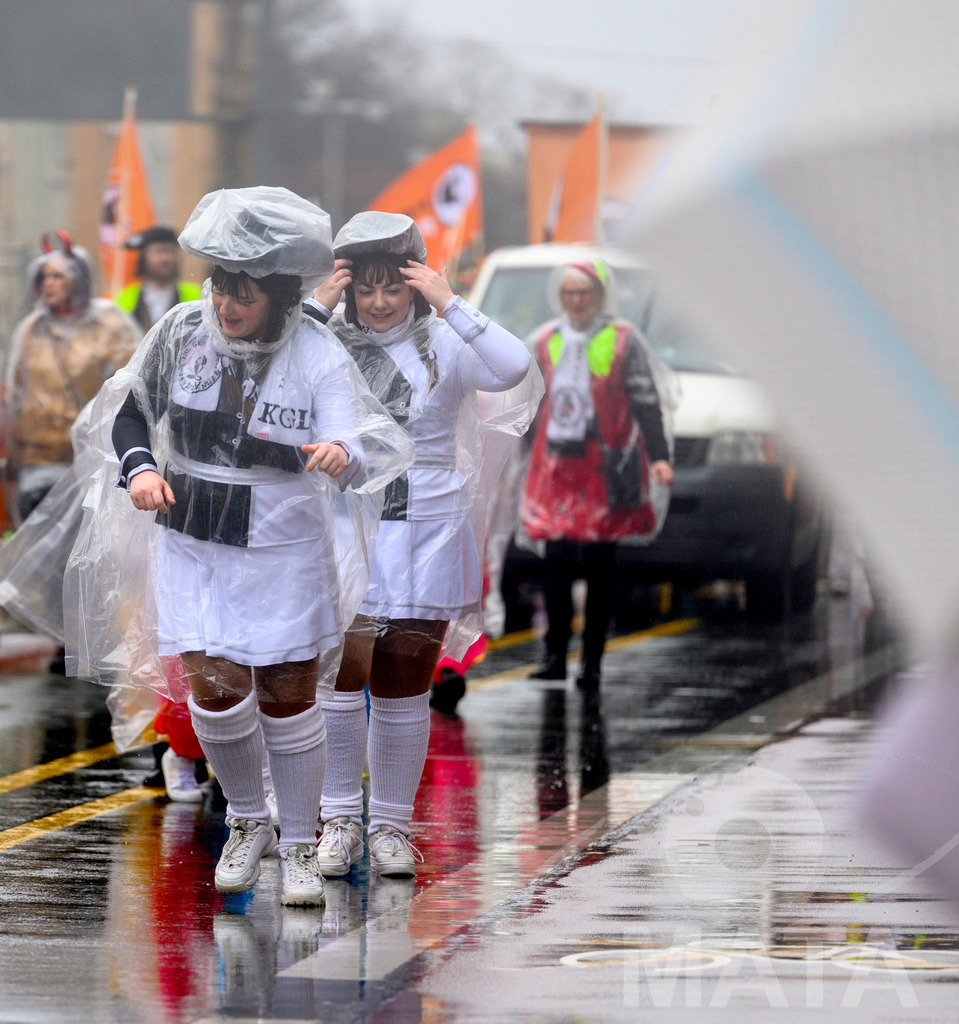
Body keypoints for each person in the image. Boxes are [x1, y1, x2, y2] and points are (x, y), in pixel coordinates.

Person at [98, 187, 411, 905]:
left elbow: (356, 441)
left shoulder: (316, 350)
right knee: (211, 685)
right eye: (219, 287)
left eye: (243, 292)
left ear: (275, 293)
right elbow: (131, 413)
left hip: (281, 542)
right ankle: (247, 822)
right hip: (193, 533)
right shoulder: (180, 332)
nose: (227, 305)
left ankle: (299, 842)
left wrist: (339, 453)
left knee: (286, 688)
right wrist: (141, 468)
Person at [302, 211, 539, 879]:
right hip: (348, 524)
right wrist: (319, 307)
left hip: (429, 527)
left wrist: (449, 300)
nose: (378, 303)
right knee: (343, 680)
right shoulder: (324, 343)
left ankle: (393, 830)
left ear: (414, 281)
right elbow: (271, 376)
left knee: (405, 688)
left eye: (393, 287)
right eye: (364, 288)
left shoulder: (447, 341)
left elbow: (514, 365)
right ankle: (340, 819)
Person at [521, 258, 674, 690]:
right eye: (569, 293)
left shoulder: (624, 341)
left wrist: (659, 456)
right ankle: (554, 656)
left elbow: (646, 401)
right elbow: (522, 401)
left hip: (603, 469)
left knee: (601, 565)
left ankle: (591, 662)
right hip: (555, 467)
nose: (576, 301)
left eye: (584, 293)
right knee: (556, 563)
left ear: (600, 296)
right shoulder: (545, 339)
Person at [5, 232, 139, 525]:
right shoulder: (32, 328)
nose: (47, 284)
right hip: (38, 458)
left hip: (88, 460)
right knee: (38, 546)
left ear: (78, 279)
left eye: (56, 276)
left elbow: (128, 390)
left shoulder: (111, 324)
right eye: (43, 277)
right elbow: (15, 395)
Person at [115, 225, 202, 334]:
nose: (165, 258)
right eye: (159, 251)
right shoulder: (125, 298)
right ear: (144, 257)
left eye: (170, 251)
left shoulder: (196, 294)